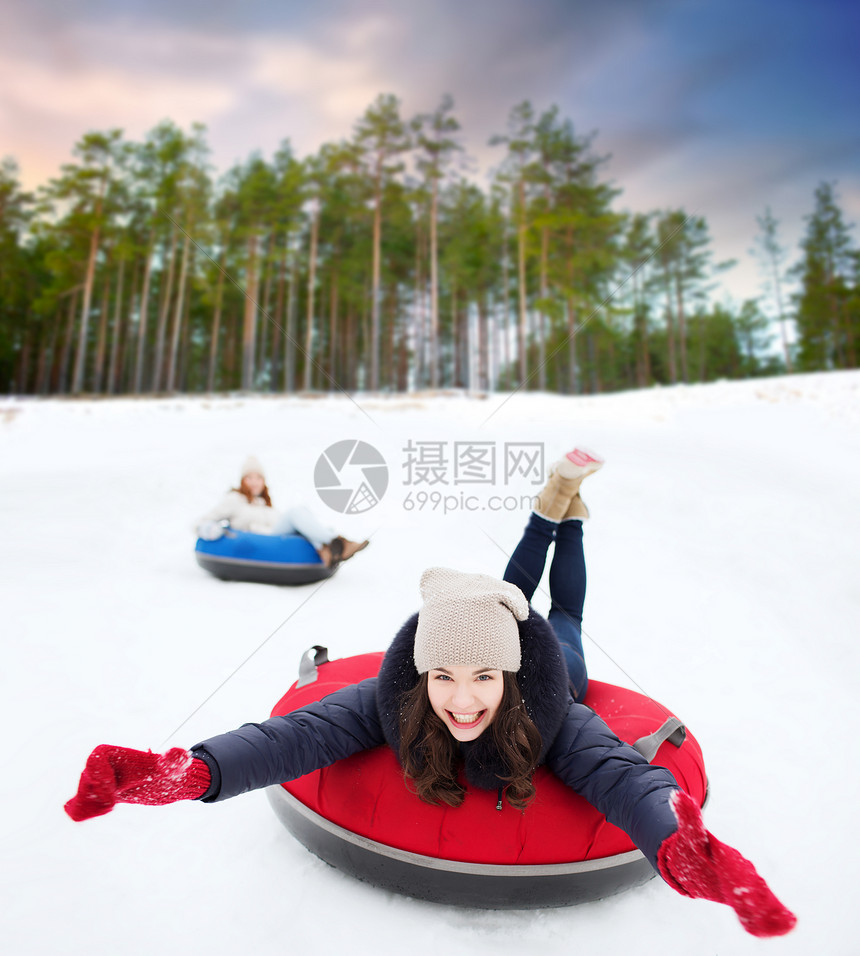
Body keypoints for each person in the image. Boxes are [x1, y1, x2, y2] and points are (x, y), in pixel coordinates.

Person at [67, 449, 795, 938]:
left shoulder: (556, 717)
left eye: (482, 680)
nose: (463, 700)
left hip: (555, 658)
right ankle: (554, 502)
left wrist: (684, 846)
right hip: (486, 622)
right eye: (444, 677)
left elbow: (623, 779)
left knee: (563, 612)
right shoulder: (397, 698)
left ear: (508, 679)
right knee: (508, 592)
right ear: (421, 674)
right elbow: (293, 738)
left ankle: (562, 514)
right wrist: (185, 772)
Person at [195, 455, 368, 568]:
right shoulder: (234, 500)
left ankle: (327, 549)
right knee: (295, 512)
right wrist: (207, 529)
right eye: (249, 478)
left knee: (301, 512)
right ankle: (339, 544)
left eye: (258, 478)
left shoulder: (265, 504)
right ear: (242, 481)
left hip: (277, 536)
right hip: (263, 540)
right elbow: (201, 522)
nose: (254, 482)